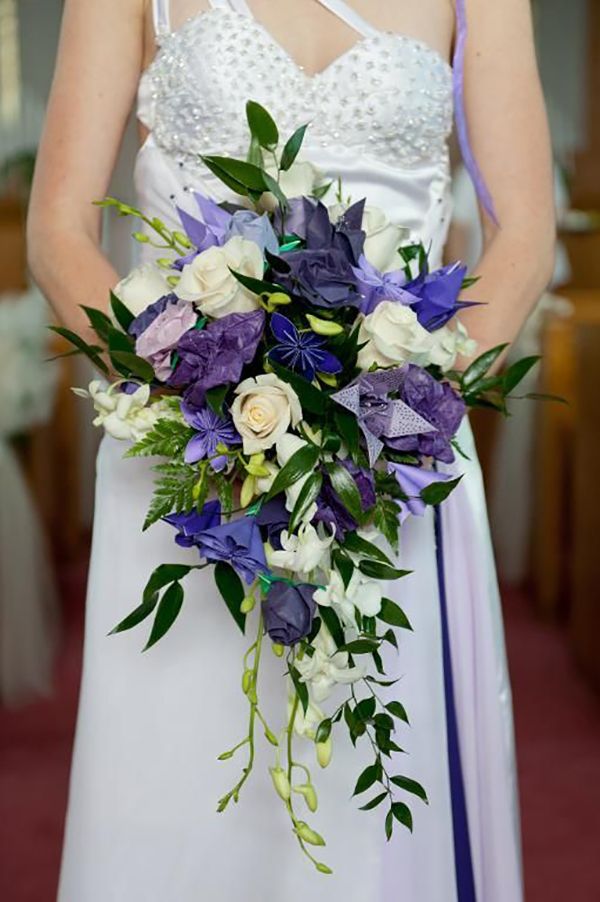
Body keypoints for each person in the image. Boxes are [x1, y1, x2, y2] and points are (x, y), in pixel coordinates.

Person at [27, 1, 555, 899]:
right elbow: (58, 233)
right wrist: (191, 381)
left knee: (370, 772)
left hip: (392, 450)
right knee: (182, 775)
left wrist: (406, 405)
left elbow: (525, 232)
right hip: (190, 443)